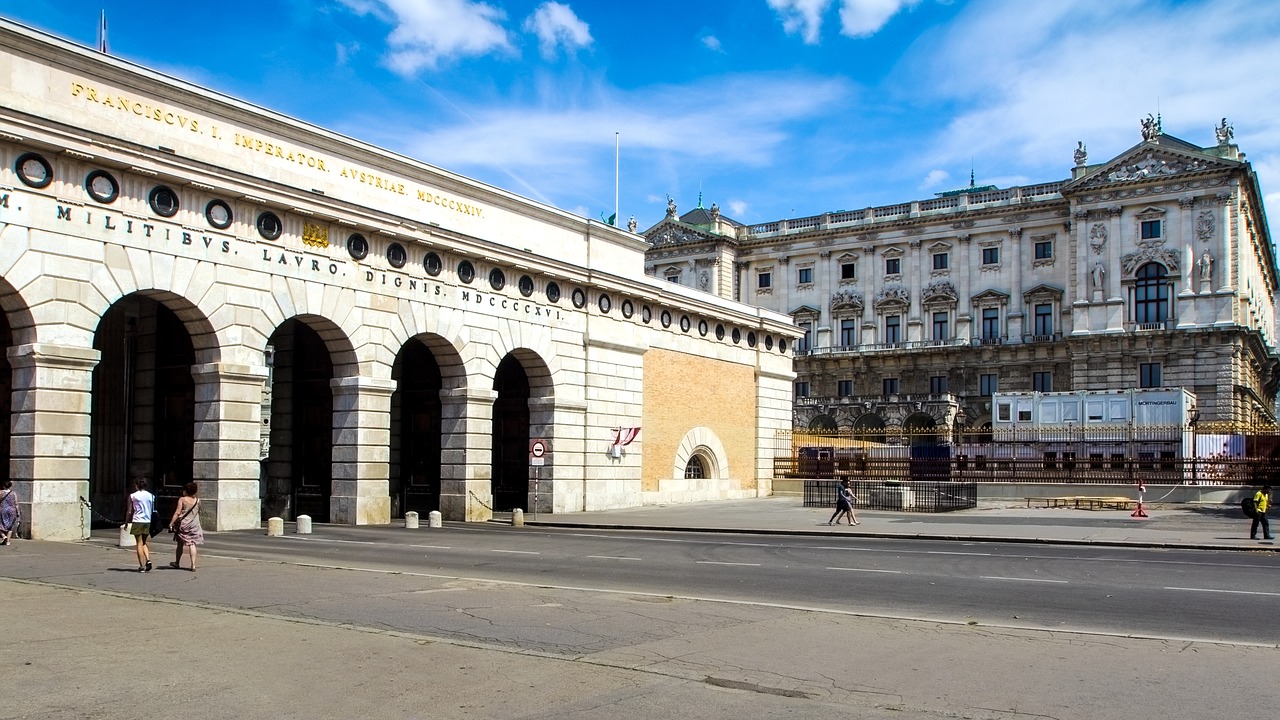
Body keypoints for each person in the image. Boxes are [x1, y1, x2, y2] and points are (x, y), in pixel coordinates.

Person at [168, 481, 204, 571]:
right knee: (192, 544)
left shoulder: (182, 500)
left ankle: (177, 562)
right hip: (194, 524)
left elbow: (177, 512)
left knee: (180, 544)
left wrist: (171, 523)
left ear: (185, 491)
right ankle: (193, 565)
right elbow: (199, 511)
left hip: (184, 525)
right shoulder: (198, 500)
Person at [125, 477, 156, 572]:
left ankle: (142, 566)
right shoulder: (151, 496)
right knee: (144, 542)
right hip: (147, 521)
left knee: (139, 543)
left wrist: (126, 522)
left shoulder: (133, 496)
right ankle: (148, 560)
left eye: (135, 485)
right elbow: (152, 510)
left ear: (137, 485)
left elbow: (129, 511)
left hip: (137, 520)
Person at [0, 480, 19, 545]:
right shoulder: (13, 493)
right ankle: (8, 542)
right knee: (10, 527)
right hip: (12, 510)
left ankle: (3, 536)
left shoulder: (1, 492)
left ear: (3, 485)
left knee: (1, 524)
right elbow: (16, 503)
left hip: (3, 510)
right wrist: (18, 512)